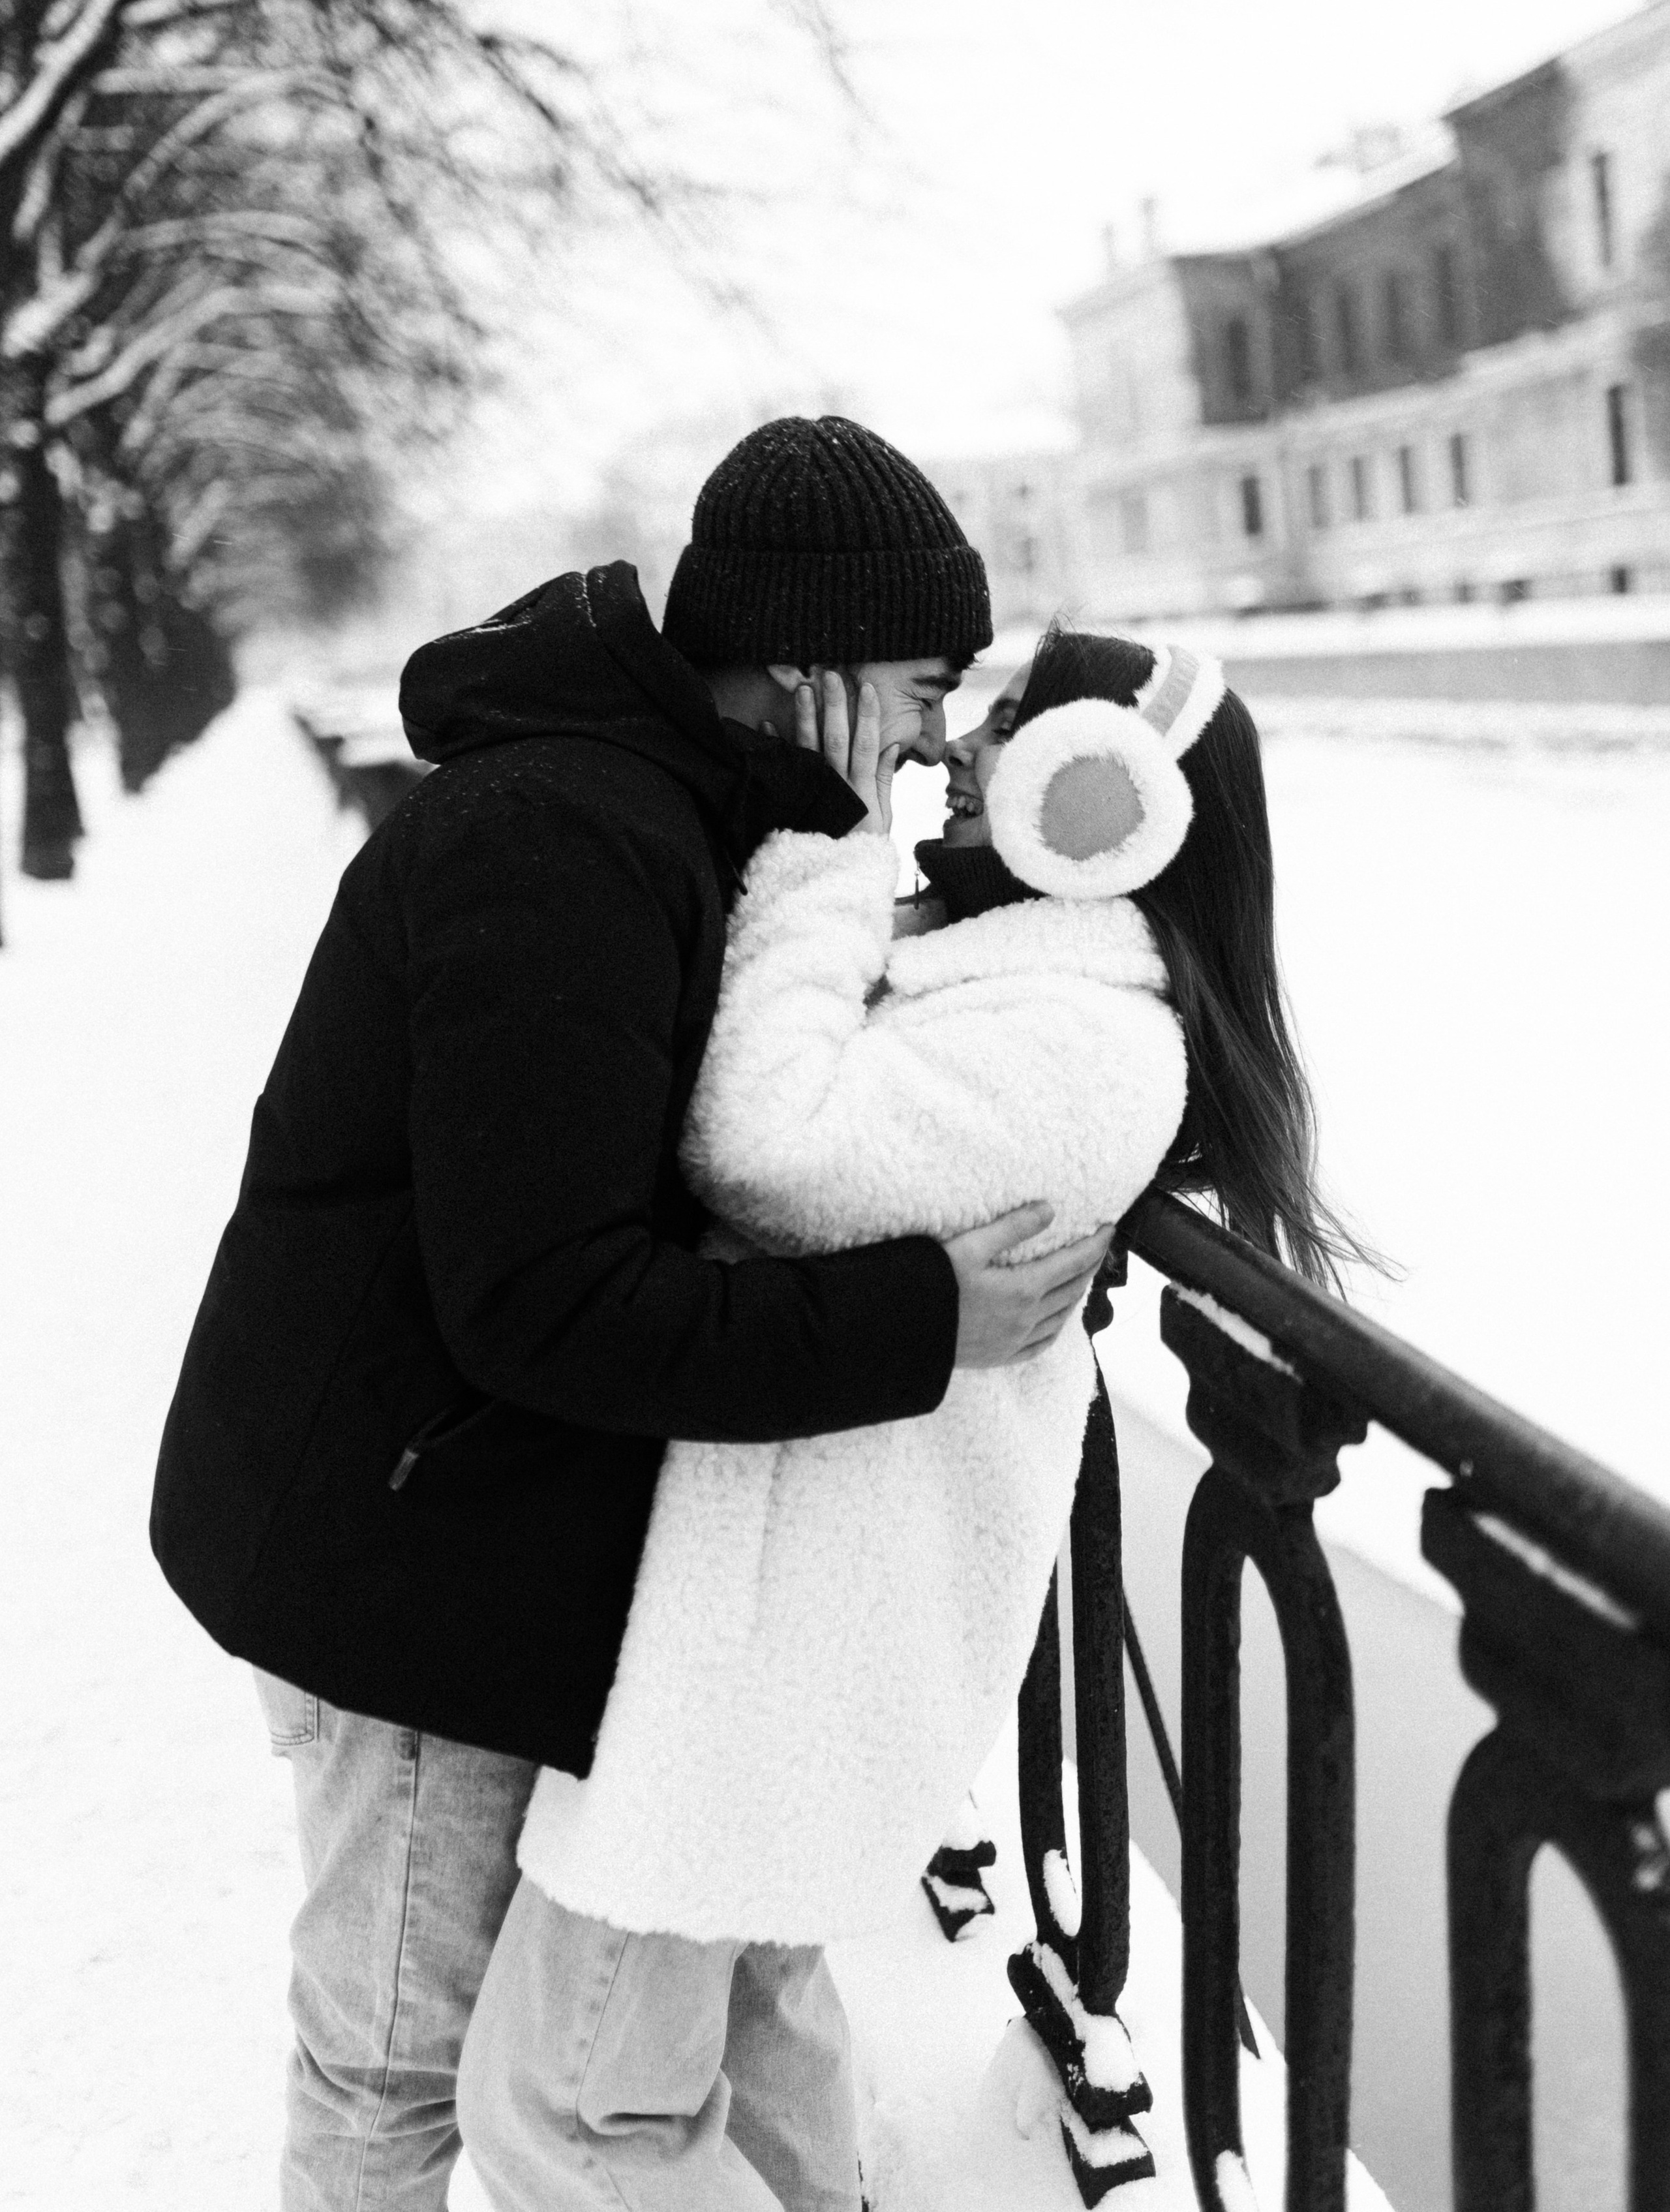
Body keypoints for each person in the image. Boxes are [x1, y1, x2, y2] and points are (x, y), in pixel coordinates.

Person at [148, 416, 1114, 2212]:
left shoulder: (666, 814)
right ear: (809, 657)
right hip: (406, 1562)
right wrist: (923, 1319)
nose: (924, 741)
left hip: (474, 1522)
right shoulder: (567, 843)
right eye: (918, 685)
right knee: (395, 2062)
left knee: (550, 2030)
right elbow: (543, 1302)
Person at [461, 619, 1359, 2211]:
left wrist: (821, 834)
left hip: (774, 1645)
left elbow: (766, 1149)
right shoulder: (1005, 976)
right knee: (743, 2039)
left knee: (565, 2109)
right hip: (771, 1618)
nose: (946, 750)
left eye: (1002, 724)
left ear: (1104, 793)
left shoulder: (1081, 1043)